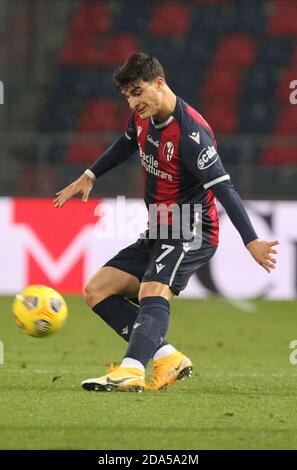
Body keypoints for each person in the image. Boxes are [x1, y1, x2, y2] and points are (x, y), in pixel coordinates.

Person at [54, 53, 278, 392]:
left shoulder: (191, 135)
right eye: (127, 95)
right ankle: (168, 356)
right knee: (97, 290)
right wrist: (91, 174)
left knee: (151, 290)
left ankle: (131, 369)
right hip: (161, 225)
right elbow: (126, 143)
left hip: (193, 228)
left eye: (137, 92)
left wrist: (251, 240)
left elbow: (224, 188)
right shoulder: (142, 118)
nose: (132, 102)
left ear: (159, 83)